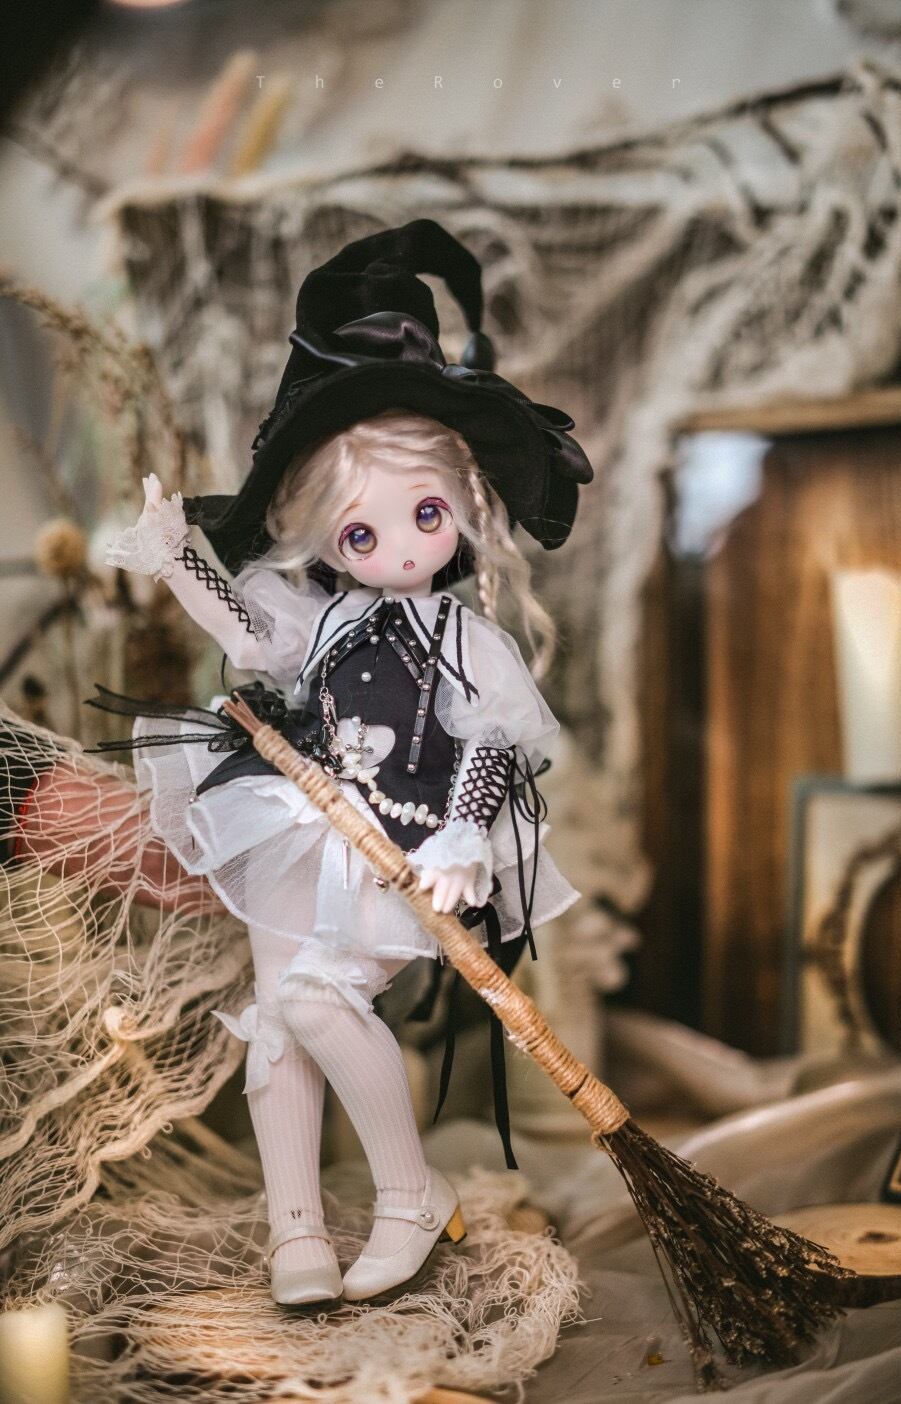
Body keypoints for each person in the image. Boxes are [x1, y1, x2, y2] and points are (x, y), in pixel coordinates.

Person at [95, 218, 594, 1307]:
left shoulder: (464, 636)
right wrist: (178, 559)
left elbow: (494, 738)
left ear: (464, 505)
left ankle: (411, 1194)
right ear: (322, 535)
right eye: (360, 535)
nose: (399, 547)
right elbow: (250, 634)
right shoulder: (318, 619)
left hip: (400, 852)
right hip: (303, 826)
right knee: (280, 1016)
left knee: (323, 1001)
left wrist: (463, 833)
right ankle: (297, 1232)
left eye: (426, 515)